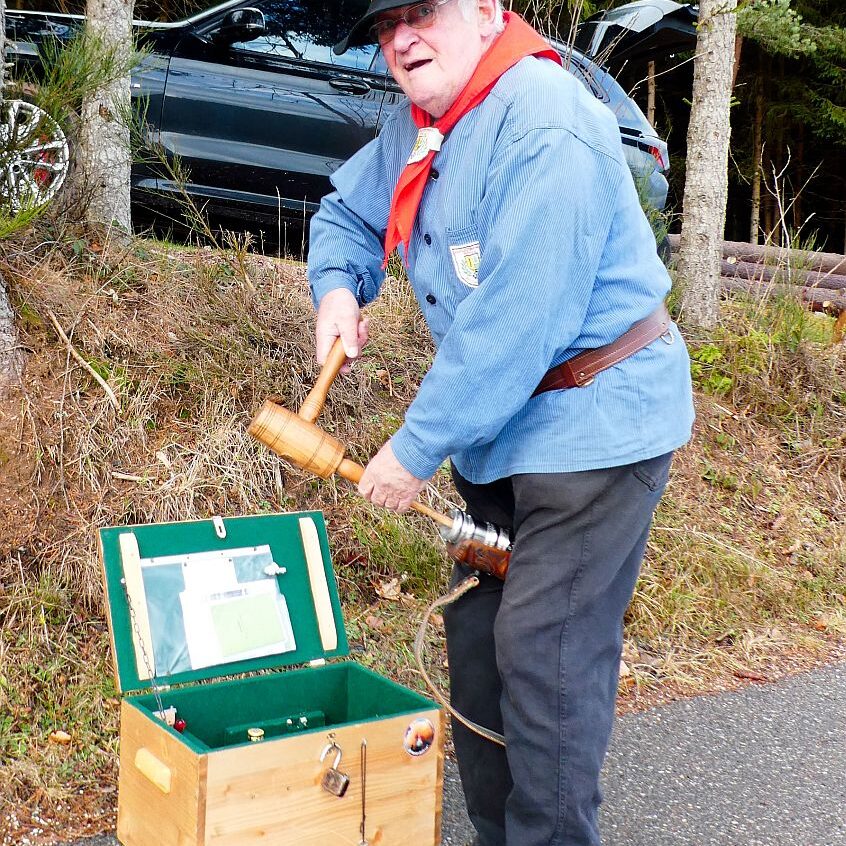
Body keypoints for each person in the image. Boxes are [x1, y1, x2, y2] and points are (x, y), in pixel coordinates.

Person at [307, 1, 695, 844]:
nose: (402, 39)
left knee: (543, 651)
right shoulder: (419, 123)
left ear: (486, 11)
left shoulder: (545, 121)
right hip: (500, 435)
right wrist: (338, 287)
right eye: (386, 26)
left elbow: (518, 321)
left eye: (423, 12)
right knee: (479, 642)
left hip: (597, 423)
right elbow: (346, 216)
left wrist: (411, 451)